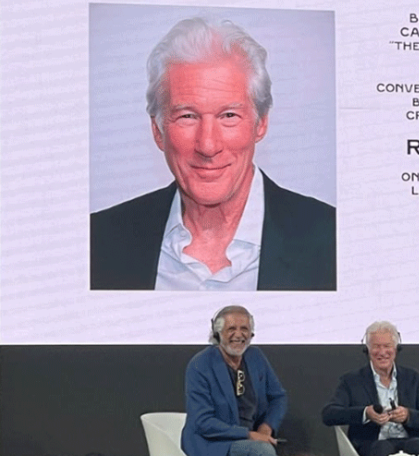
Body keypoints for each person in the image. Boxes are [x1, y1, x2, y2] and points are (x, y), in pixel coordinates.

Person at [90, 17, 335, 291]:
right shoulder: (98, 241)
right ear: (158, 130)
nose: (207, 146)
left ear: (261, 123)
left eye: (228, 115)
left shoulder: (332, 239)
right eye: (187, 116)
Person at [182, 305, 288, 456]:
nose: (238, 335)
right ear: (218, 334)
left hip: (251, 444)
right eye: (231, 328)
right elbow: (202, 422)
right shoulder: (201, 364)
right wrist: (248, 435)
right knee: (262, 452)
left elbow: (278, 398)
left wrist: (266, 428)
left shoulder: (256, 357)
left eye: (244, 328)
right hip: (215, 445)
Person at [321, 321, 419, 456]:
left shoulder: (413, 378)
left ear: (395, 349)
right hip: (372, 444)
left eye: (387, 346)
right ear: (367, 350)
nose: (382, 352)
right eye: (376, 347)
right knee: (382, 448)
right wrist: (366, 413)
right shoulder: (351, 380)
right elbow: (329, 414)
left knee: (418, 446)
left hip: (409, 440)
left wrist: (407, 415)